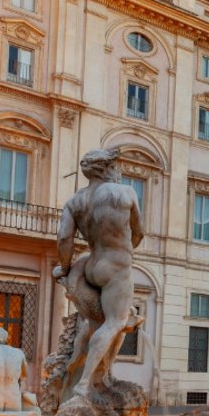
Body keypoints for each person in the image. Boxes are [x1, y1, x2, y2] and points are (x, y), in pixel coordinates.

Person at [53, 148, 143, 399]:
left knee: (98, 324)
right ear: (107, 168)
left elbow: (64, 239)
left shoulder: (75, 201)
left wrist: (66, 267)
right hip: (116, 265)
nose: (119, 170)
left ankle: (99, 375)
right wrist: (124, 252)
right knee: (116, 322)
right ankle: (84, 384)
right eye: (116, 166)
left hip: (90, 265)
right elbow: (139, 232)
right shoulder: (125, 192)